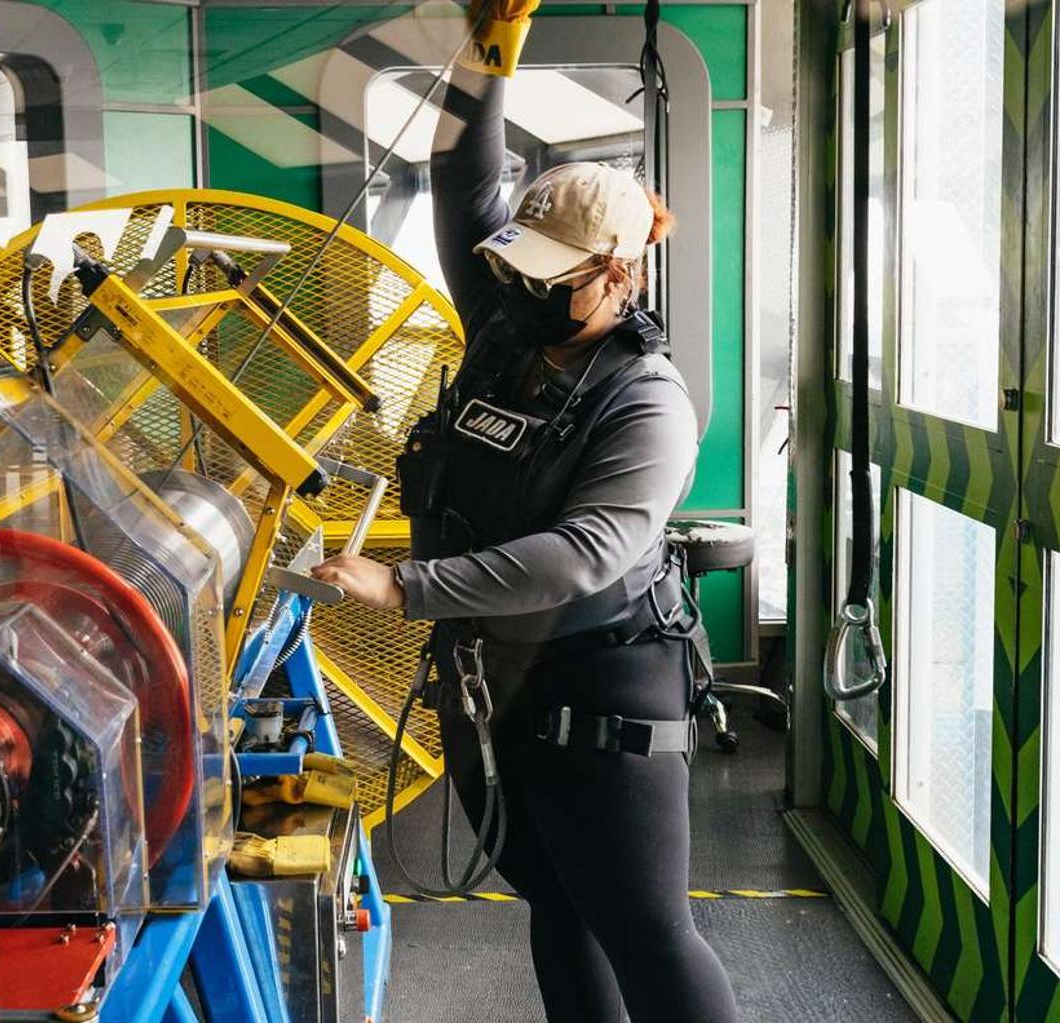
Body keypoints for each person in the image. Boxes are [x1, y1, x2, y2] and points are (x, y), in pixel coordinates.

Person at [310, 9, 739, 1020]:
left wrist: (405, 586)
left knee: (643, 927)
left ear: (616, 274)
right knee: (555, 899)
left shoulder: (645, 400)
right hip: (491, 673)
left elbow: (586, 552)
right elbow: (462, 183)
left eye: (548, 275)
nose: (517, 285)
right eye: (514, 265)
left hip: (603, 682)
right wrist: (485, 59)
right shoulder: (505, 329)